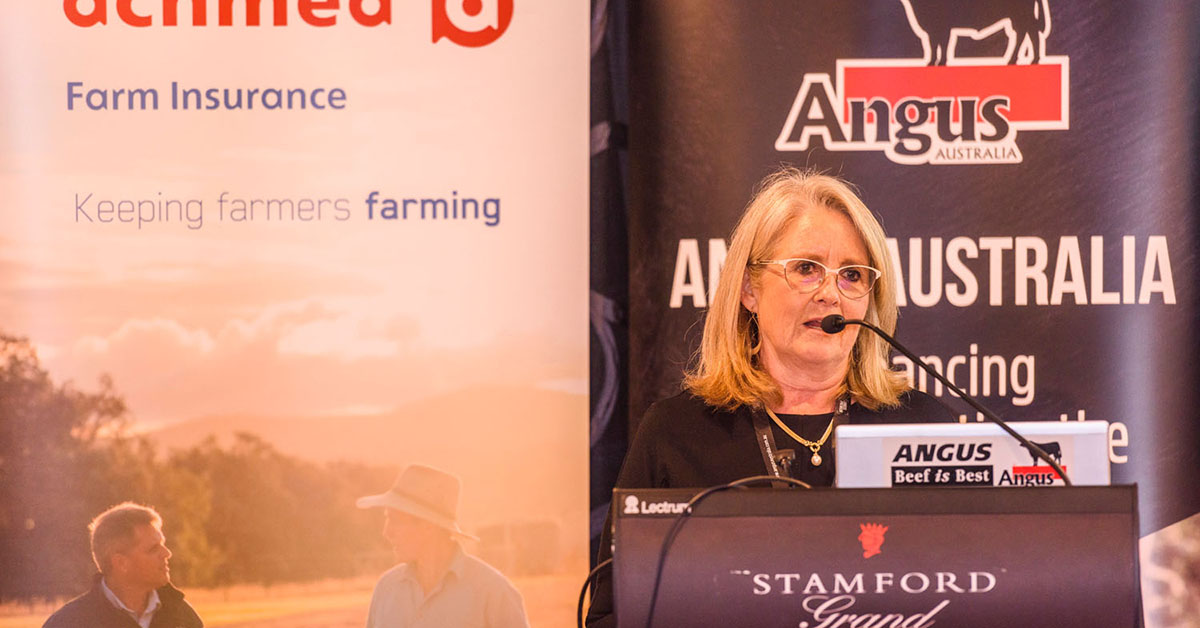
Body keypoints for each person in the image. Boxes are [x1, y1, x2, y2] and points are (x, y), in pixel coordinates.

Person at [585, 167, 954, 626]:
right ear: (748, 290)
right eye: (806, 269)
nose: (830, 294)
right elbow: (612, 616)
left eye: (852, 275)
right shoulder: (675, 435)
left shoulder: (923, 427)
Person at [357, 464, 530, 628]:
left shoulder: (493, 592)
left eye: (394, 520)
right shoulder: (386, 589)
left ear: (427, 526)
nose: (386, 532)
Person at [43, 502, 203, 628]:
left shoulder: (183, 618)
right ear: (121, 563)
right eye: (153, 549)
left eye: (162, 544)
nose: (167, 553)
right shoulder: (68, 623)